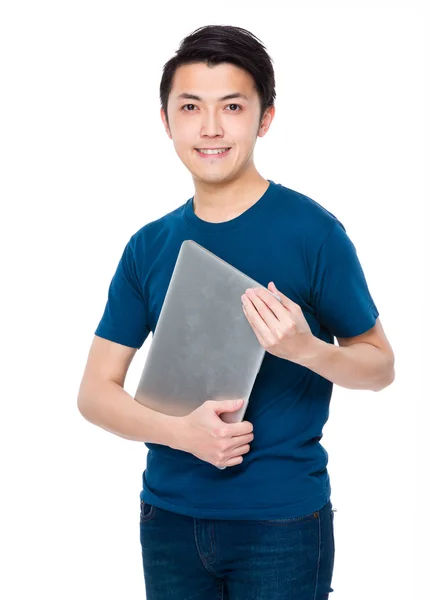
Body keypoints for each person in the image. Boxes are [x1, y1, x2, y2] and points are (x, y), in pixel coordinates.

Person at [77, 24, 395, 600]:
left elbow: (379, 367)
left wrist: (305, 349)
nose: (211, 128)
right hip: (167, 521)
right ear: (166, 120)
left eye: (232, 106)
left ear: (264, 118)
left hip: (283, 526)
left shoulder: (313, 233)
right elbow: (95, 393)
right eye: (191, 107)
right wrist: (180, 434)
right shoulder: (148, 245)